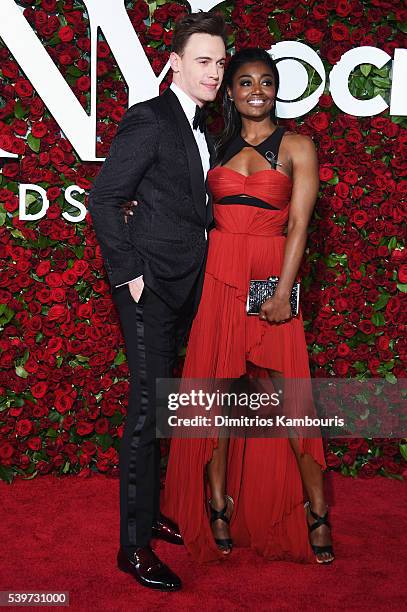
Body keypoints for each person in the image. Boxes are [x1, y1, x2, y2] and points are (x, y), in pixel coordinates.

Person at [161, 48, 335, 565]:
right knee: (216, 394)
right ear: (231, 92)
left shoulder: (299, 145)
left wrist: (284, 290)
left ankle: (316, 509)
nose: (255, 90)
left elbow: (299, 225)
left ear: (276, 88)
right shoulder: (215, 146)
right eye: (243, 82)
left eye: (265, 81)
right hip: (219, 278)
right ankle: (218, 502)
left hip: (269, 277)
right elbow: (192, 209)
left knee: (288, 398)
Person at [88, 12, 227, 591]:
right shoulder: (150, 118)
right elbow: (103, 199)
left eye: (220, 62)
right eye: (203, 60)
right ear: (174, 63)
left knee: (162, 406)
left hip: (185, 284)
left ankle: (150, 514)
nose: (215, 72)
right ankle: (133, 547)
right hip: (149, 286)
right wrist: (129, 276)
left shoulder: (204, 130)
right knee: (146, 412)